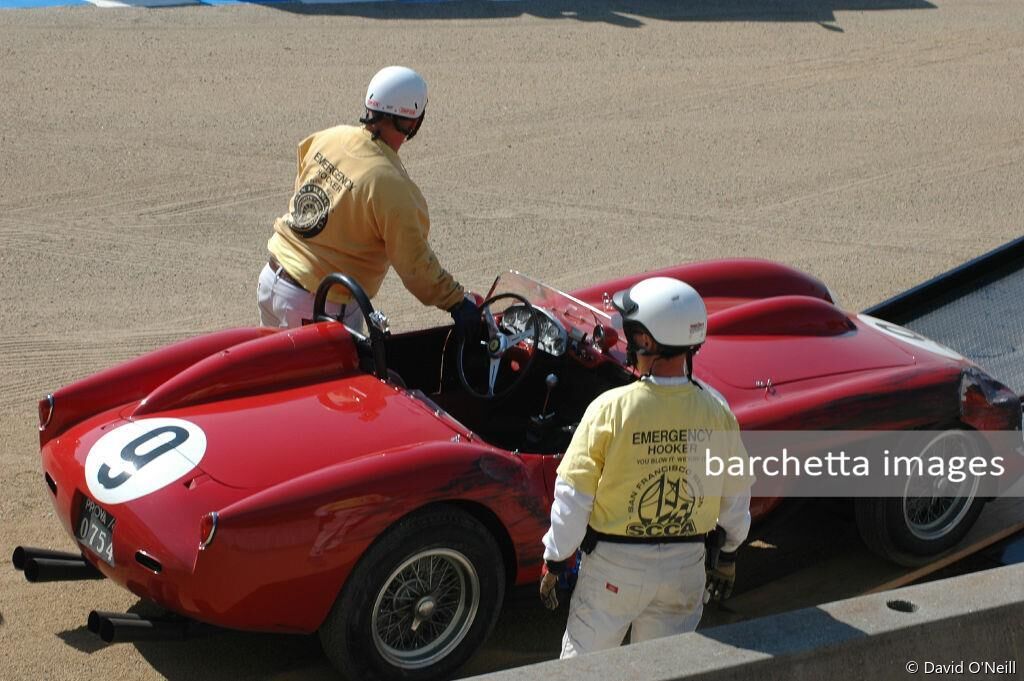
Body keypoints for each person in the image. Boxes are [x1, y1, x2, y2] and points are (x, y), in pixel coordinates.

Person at [539, 276, 752, 657]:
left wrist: (556, 559)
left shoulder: (610, 409)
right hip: (686, 569)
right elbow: (735, 497)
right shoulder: (717, 410)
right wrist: (730, 554)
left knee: (584, 667)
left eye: (633, 333)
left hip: (614, 571)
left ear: (648, 342)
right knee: (663, 667)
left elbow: (573, 497)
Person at [257, 65, 479, 334]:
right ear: (413, 122)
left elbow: (305, 186)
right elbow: (415, 266)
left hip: (271, 280)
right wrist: (456, 301)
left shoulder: (329, 137)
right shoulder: (394, 186)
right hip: (317, 304)